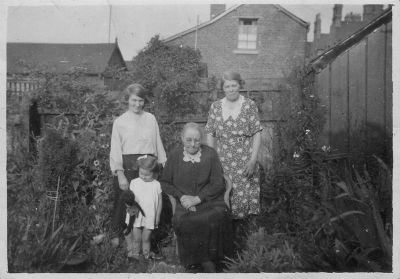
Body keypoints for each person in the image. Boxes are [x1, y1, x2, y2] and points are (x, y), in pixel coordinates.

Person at [160, 122, 232, 273]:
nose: (193, 144)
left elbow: (218, 183)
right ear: (182, 138)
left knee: (217, 216)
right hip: (185, 204)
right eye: (189, 140)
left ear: (202, 140)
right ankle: (193, 264)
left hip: (210, 201)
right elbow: (165, 182)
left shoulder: (210, 154)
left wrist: (198, 198)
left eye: (197, 140)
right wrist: (182, 197)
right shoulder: (174, 155)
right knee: (186, 220)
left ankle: (212, 260)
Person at [109, 83, 167, 246]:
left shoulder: (150, 118)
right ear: (128, 100)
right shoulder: (120, 122)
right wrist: (120, 173)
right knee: (124, 199)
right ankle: (119, 234)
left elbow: (157, 142)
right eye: (134, 100)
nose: (137, 104)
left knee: (147, 200)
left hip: (148, 164)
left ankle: (148, 238)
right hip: (128, 165)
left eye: (141, 100)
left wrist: (162, 163)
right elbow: (115, 150)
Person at [204, 71, 262, 221]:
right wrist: (213, 160)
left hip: (245, 162)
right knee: (225, 198)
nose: (231, 89)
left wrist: (253, 160)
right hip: (223, 162)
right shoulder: (216, 107)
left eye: (234, 85)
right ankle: (229, 236)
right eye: (227, 86)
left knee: (246, 201)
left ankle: (247, 237)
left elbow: (257, 132)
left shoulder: (249, 105)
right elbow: (210, 133)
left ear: (239, 85)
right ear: (223, 88)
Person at [124, 155, 162, 260]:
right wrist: (129, 206)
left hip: (150, 216)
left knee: (146, 238)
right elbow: (129, 199)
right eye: (141, 173)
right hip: (136, 215)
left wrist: (157, 216)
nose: (144, 177)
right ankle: (135, 257)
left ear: (154, 173)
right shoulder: (134, 182)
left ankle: (145, 257)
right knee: (137, 238)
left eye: (147, 175)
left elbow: (159, 202)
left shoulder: (156, 185)